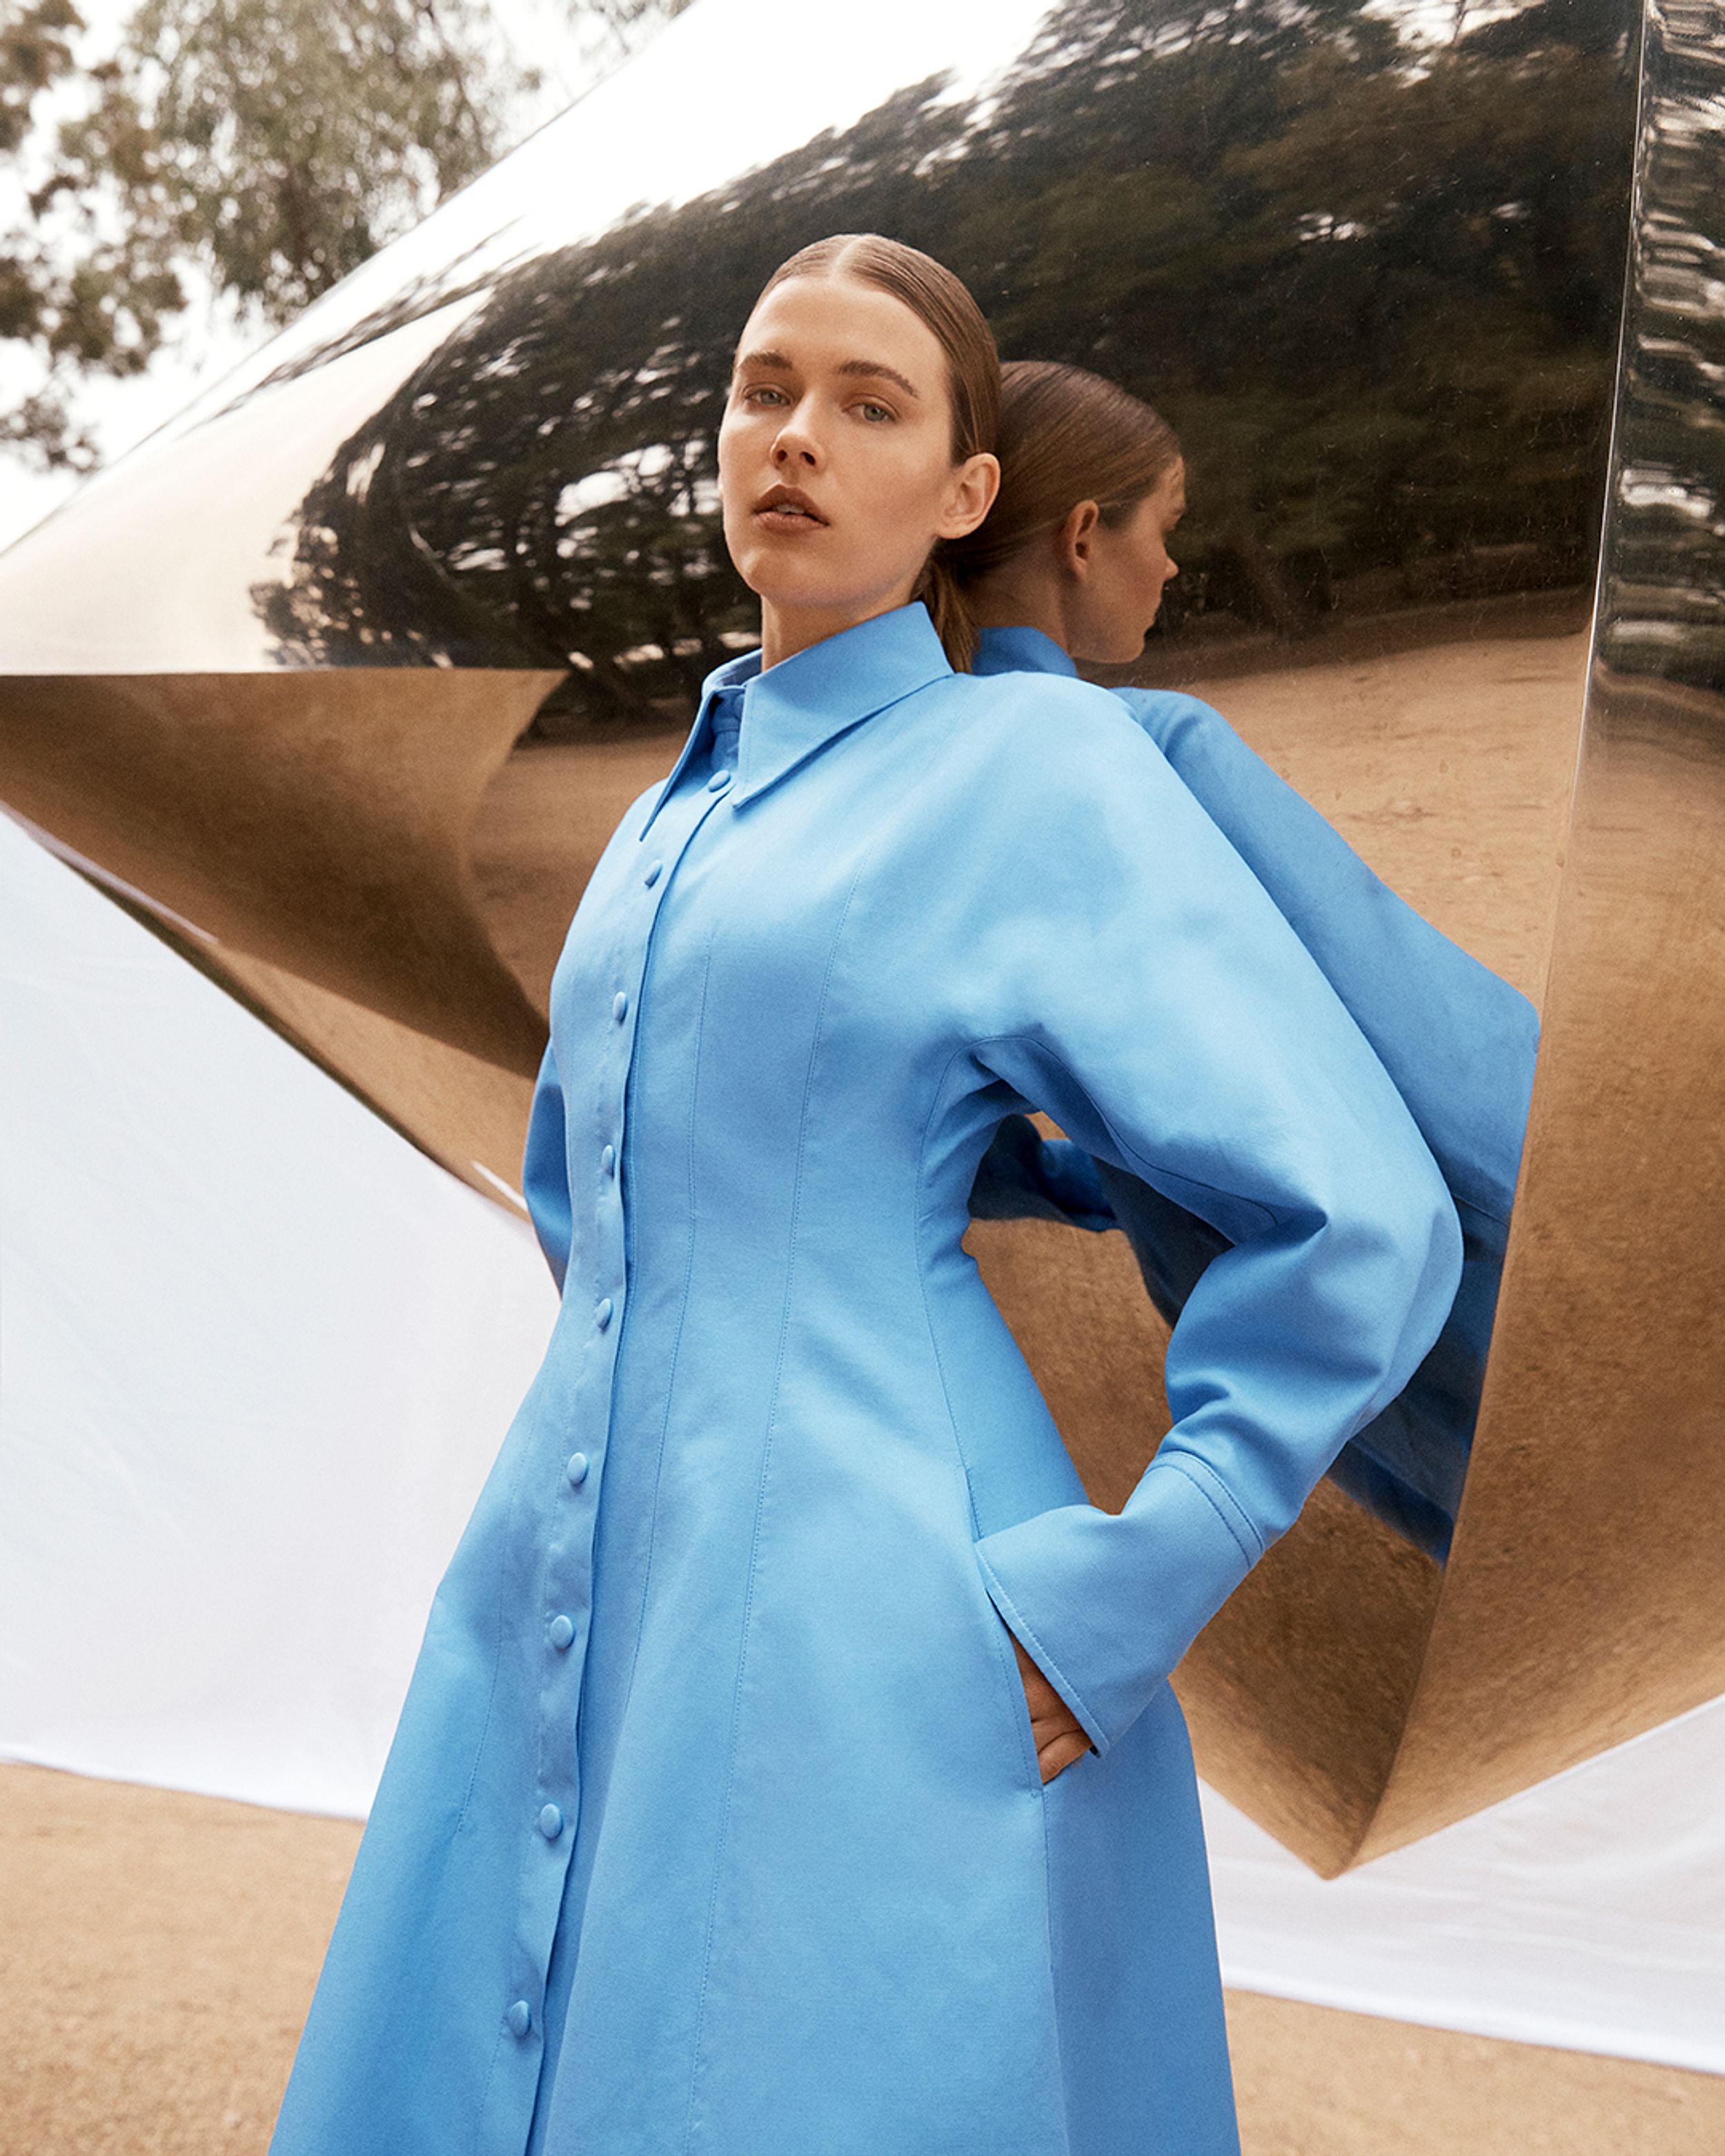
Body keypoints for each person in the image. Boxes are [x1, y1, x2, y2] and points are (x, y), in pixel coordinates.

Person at [269, 237, 1461, 2156]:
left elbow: (1353, 1207)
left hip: (885, 1622)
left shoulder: (1029, 767)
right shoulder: (664, 812)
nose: (797, 436)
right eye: (763, 389)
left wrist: (1138, 1574)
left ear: (964, 496)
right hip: (577, 1590)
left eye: (868, 402)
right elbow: (599, 1214)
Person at [956, 360, 1539, 1561]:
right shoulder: (1147, 748)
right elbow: (1423, 1039)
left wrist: (1083, 1178)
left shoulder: (892, 780)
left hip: (1216, 1303)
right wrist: (1581, 1193)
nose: (1171, 568)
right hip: (1424, 1288)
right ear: (1080, 536)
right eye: (1161, 529)